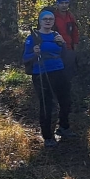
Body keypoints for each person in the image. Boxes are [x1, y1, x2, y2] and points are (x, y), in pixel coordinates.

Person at [22, 10, 73, 148]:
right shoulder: (33, 37)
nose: (48, 21)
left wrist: (63, 44)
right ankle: (48, 136)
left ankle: (64, 127)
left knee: (66, 101)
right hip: (41, 73)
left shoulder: (56, 35)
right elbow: (25, 58)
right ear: (40, 21)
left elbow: (64, 55)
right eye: (45, 19)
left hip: (59, 71)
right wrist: (34, 53)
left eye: (50, 19)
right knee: (47, 105)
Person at [51, 0, 80, 82]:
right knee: (55, 72)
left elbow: (75, 33)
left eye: (66, 3)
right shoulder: (52, 16)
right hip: (55, 48)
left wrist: (74, 48)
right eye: (61, 3)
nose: (64, 5)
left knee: (68, 72)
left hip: (68, 48)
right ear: (57, 4)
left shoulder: (70, 16)